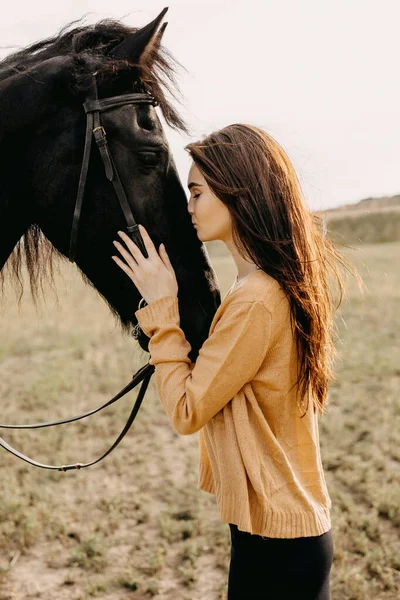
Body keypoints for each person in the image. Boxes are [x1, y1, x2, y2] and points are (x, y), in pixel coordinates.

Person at [111, 123, 353, 599]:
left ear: (235, 192)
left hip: (280, 546)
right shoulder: (261, 287)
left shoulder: (256, 300)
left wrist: (162, 310)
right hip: (278, 535)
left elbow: (187, 410)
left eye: (197, 192)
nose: (189, 207)